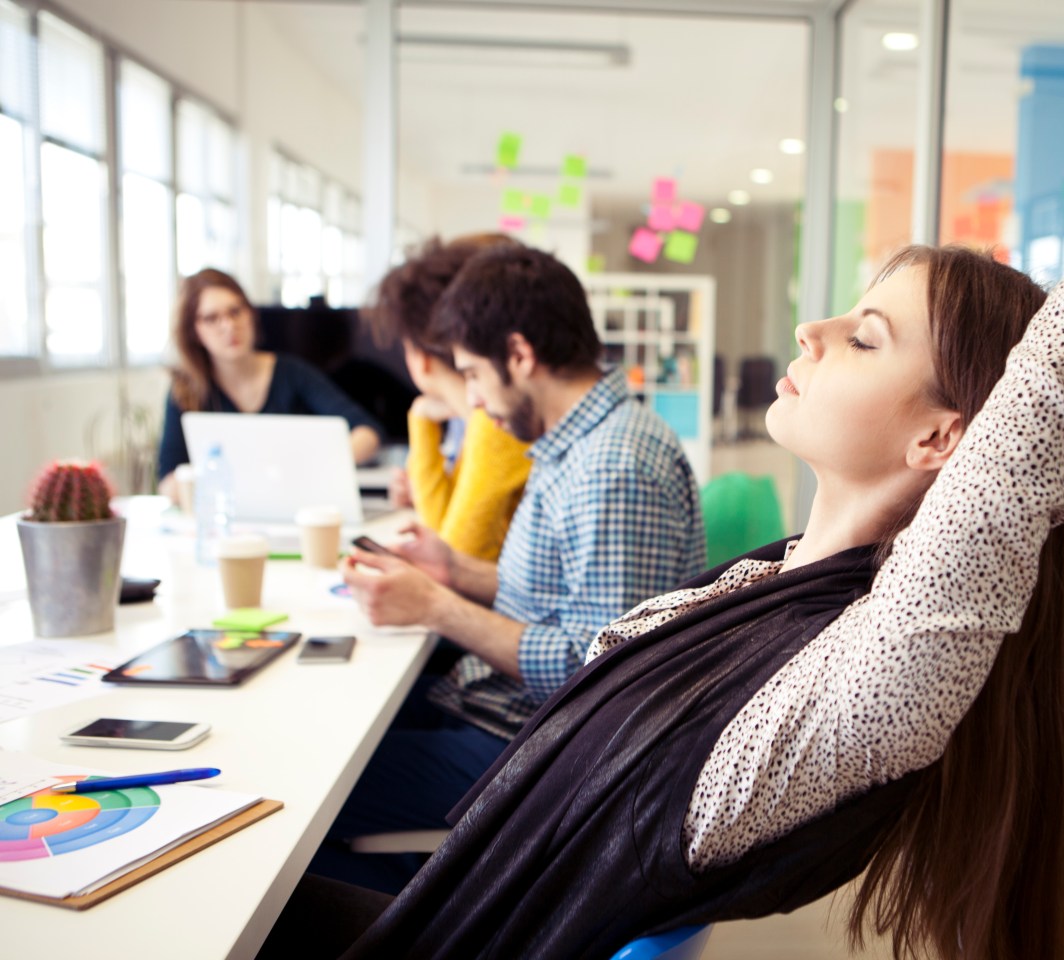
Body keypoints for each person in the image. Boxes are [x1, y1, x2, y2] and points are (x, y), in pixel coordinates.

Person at [263, 70, 1064, 960]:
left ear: (945, 441)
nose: (814, 331)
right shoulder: (778, 585)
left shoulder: (870, 682)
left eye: (867, 337)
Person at [310, 244, 707, 894]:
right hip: (511, 715)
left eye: (471, 373)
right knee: (330, 729)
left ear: (519, 355)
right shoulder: (572, 442)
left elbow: (598, 669)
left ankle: (430, 912)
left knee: (311, 786)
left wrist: (436, 606)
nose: (470, 398)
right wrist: (453, 569)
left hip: (546, 750)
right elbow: (562, 601)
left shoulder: (612, 467)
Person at [366, 234, 532, 561]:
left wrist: (420, 424)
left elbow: (452, 558)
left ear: (420, 357)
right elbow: (442, 532)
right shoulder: (476, 420)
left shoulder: (496, 425)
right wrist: (421, 418)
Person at [155, 269, 382, 499]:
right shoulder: (185, 390)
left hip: (296, 503)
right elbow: (167, 482)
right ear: (194, 331)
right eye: (211, 318)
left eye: (235, 312)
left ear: (251, 314)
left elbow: (368, 433)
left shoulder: (293, 373)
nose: (229, 326)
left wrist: (315, 467)